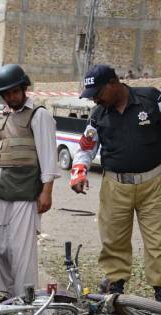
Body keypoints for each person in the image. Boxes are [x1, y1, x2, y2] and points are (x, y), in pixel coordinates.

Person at [70, 64, 161, 302]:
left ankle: (160, 289)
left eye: (97, 94)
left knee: (158, 239)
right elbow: (85, 149)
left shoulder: (151, 100)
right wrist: (79, 173)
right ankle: (115, 286)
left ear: (113, 83)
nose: (95, 101)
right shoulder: (98, 115)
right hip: (115, 185)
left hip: (154, 184)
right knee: (113, 238)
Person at [0, 64, 58, 298]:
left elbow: (48, 155)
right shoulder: (6, 115)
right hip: (0, 187)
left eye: (15, 92)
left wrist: (47, 191)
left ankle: (23, 297)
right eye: (7, 93)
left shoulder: (39, 114)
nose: (11, 97)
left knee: (20, 247)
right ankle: (6, 293)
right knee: (1, 242)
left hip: (25, 190)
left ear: (24, 89)